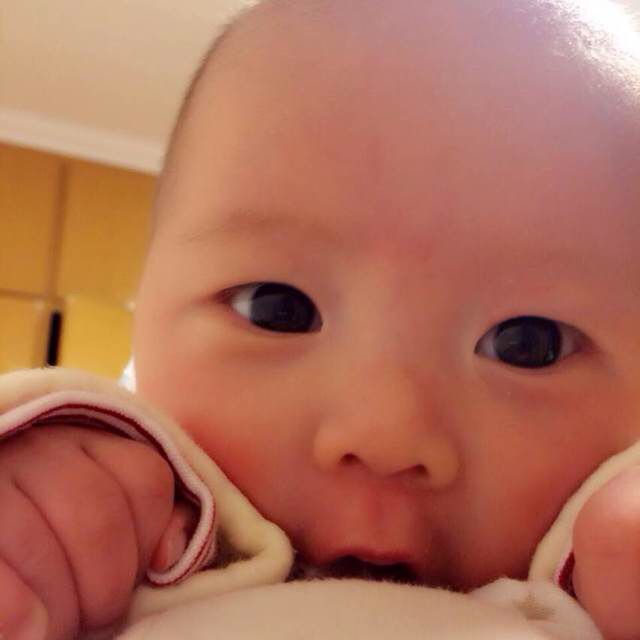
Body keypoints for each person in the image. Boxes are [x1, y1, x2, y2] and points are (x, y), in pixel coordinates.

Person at [2, 0, 640, 637]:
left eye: (528, 345)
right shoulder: (119, 561)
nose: (385, 436)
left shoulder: (599, 594)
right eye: (277, 309)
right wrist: (35, 517)